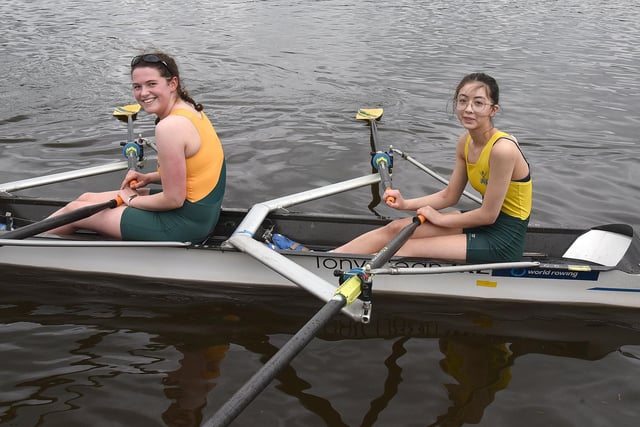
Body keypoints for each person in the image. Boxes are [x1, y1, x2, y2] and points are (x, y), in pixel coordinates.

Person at [331, 72, 532, 262]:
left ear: (492, 109)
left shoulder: (502, 149)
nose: (468, 109)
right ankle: (328, 257)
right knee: (395, 229)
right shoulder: (465, 142)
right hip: (480, 223)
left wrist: (439, 219)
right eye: (462, 101)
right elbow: (449, 196)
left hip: (504, 238)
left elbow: (489, 215)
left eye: (478, 103)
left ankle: (334, 269)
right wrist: (405, 204)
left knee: (402, 249)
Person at [48, 52, 226, 242]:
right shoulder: (192, 110)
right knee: (86, 198)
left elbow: (173, 199)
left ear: (173, 83)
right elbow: (194, 172)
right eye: (137, 86)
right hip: (201, 214)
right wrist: (149, 177)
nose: (143, 93)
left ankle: (23, 249)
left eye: (151, 84)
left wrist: (131, 200)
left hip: (183, 224)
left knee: (75, 211)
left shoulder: (170, 126)